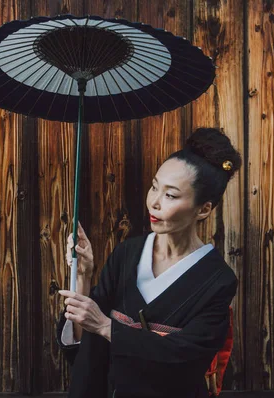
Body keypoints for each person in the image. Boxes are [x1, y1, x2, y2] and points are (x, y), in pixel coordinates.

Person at [57, 127, 242, 398]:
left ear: (204, 209)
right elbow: (84, 345)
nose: (154, 202)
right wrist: (83, 276)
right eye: (155, 187)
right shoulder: (127, 253)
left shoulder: (218, 279)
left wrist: (107, 327)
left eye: (171, 195)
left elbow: (185, 360)